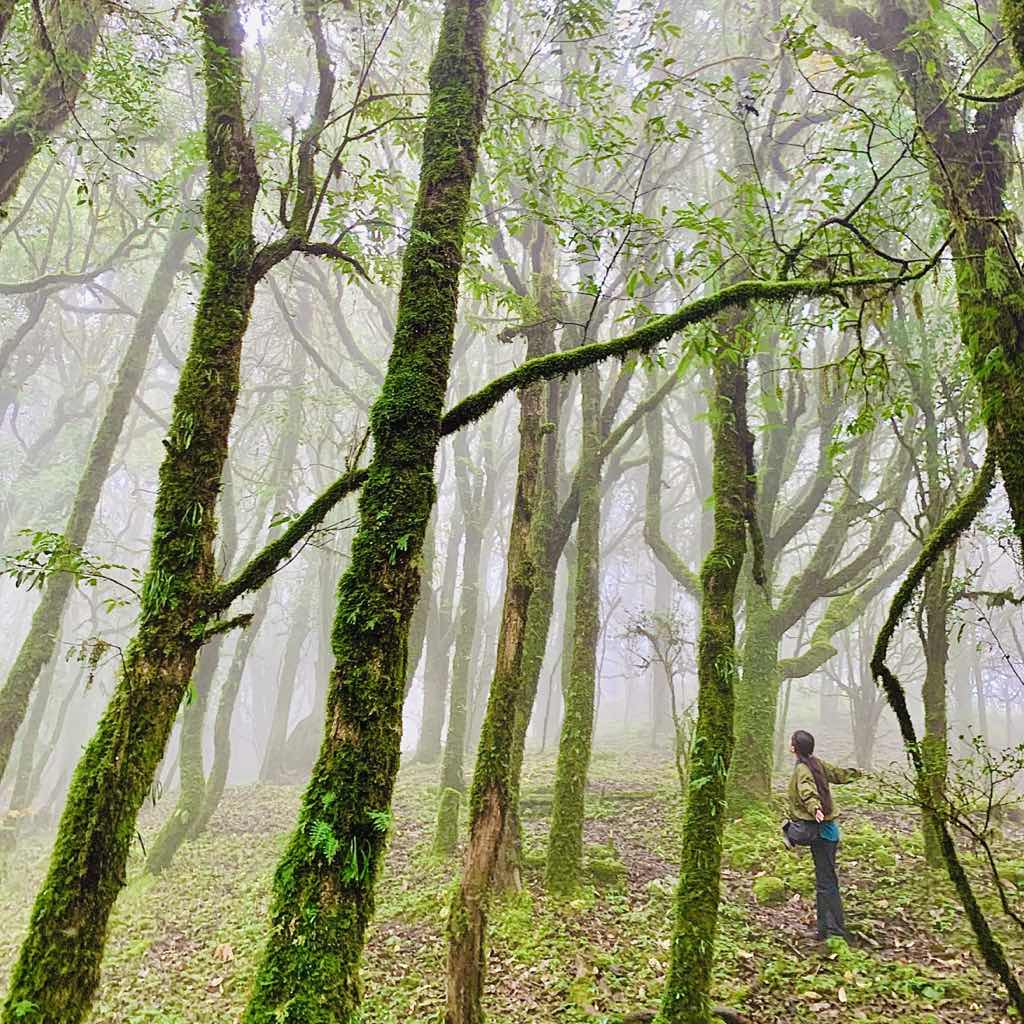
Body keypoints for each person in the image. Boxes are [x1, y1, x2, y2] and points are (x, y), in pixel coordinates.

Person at [784, 729, 860, 943]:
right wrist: (858, 773)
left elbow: (807, 789)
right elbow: (838, 774)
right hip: (824, 832)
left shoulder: (803, 769)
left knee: (827, 882)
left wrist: (815, 807)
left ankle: (834, 931)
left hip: (823, 832)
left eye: (791, 742)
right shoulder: (816, 763)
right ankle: (824, 928)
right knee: (824, 881)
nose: (789, 744)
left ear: (795, 747)